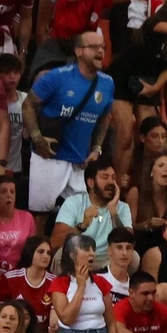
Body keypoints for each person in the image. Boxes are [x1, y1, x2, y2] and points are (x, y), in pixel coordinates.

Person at [26, 32, 114, 212]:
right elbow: (28, 105)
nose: (100, 51)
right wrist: (36, 137)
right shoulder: (57, 77)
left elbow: (106, 116)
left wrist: (97, 148)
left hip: (80, 162)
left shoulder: (107, 82)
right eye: (93, 47)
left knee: (81, 218)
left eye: (102, 47)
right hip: (49, 157)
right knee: (40, 215)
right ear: (79, 52)